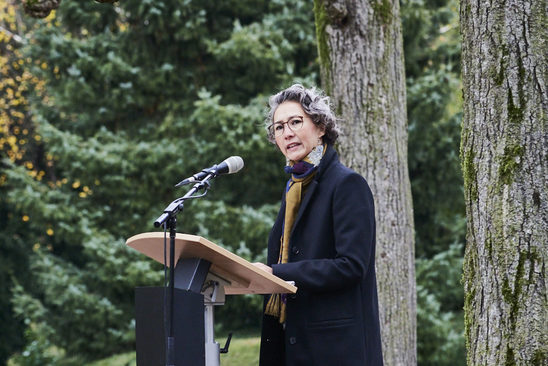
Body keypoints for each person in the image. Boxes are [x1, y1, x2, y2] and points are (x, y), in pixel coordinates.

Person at [253, 84, 383, 366]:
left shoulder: (347, 184)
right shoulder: (293, 189)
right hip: (290, 346)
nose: (287, 133)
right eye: (278, 127)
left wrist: (277, 273)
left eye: (296, 122)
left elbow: (351, 265)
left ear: (321, 126)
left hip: (335, 350)